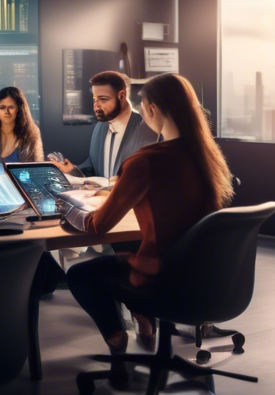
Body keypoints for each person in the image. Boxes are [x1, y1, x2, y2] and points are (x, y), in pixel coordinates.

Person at [62, 73, 234, 387]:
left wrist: (67, 209)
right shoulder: (208, 157)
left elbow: (98, 225)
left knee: (81, 275)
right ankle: (141, 329)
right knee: (123, 254)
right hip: (207, 280)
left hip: (162, 278)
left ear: (151, 109)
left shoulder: (145, 161)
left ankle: (118, 346)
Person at [50, 71, 159, 179]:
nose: (96, 107)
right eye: (94, 99)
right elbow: (94, 168)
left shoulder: (148, 128)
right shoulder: (100, 127)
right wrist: (71, 170)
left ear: (121, 96)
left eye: (103, 99)